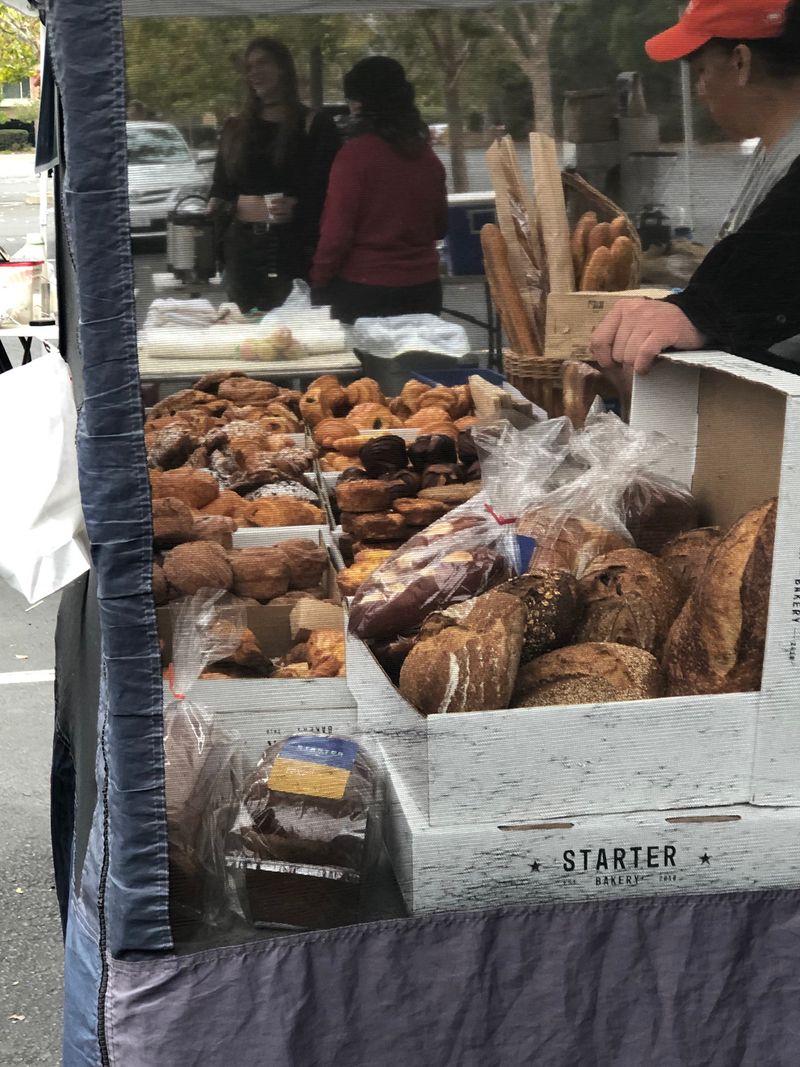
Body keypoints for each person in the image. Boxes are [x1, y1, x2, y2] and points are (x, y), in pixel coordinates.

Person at [591, 0, 800, 388]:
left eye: (701, 70)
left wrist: (701, 312)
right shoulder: (772, 149)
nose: (699, 91)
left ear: (740, 62)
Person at [310, 56, 449, 324]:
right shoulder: (426, 157)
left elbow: (336, 235)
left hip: (365, 291)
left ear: (361, 104)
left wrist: (319, 281)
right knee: (417, 366)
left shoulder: (354, 157)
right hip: (424, 290)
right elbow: (440, 227)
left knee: (368, 367)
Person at [208, 37, 340, 313]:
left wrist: (299, 206)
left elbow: (332, 190)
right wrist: (226, 209)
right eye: (249, 67)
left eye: (262, 63)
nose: (254, 72)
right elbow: (220, 189)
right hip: (243, 257)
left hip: (296, 255)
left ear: (283, 68)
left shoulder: (315, 125)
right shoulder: (234, 129)